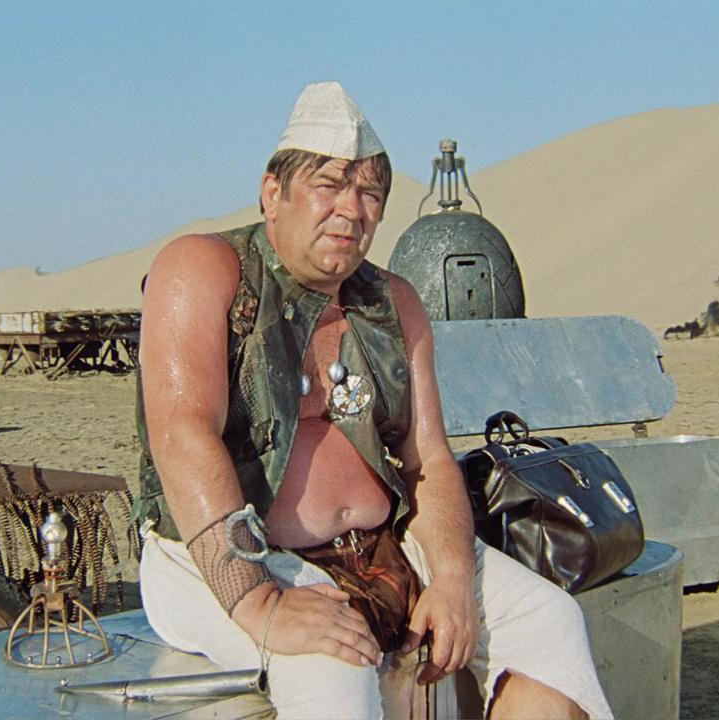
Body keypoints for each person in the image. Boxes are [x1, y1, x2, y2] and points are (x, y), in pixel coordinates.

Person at [135, 81, 612, 719]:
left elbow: (429, 459)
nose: (352, 210)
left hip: (384, 547)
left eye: (370, 193)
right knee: (334, 669)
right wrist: (259, 602)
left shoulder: (393, 302)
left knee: (549, 622)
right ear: (273, 193)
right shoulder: (203, 268)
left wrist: (451, 578)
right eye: (329, 184)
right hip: (231, 560)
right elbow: (182, 432)